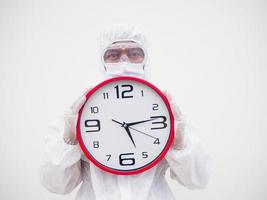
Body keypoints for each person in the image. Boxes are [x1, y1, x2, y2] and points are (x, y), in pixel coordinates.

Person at [40, 24, 212, 200]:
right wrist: (69, 142)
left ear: (145, 60)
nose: (124, 61)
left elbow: (198, 180)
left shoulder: (167, 112)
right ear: (103, 62)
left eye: (134, 54)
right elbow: (56, 185)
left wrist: (179, 145)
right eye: (113, 55)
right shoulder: (80, 114)